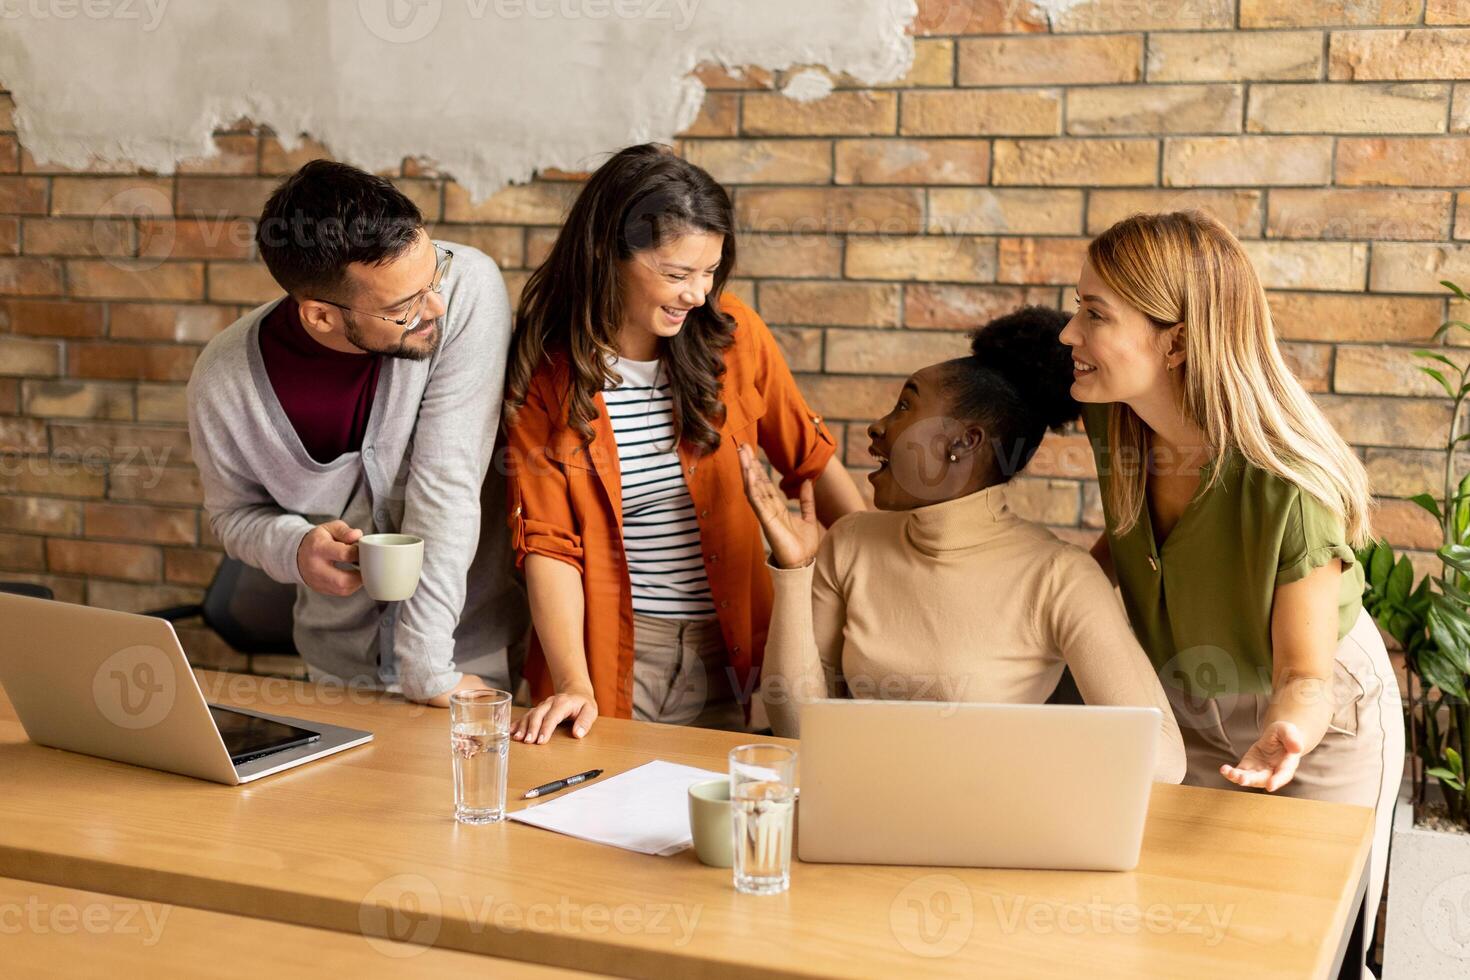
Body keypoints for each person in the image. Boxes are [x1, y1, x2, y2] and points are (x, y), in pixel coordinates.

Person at [1062, 209, 1404, 968]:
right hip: (1182, 695)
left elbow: (1305, 673)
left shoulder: (1287, 486)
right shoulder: (1117, 423)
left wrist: (1288, 734)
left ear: (1176, 341)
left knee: (1292, 951)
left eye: (1093, 315)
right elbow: (1135, 550)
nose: (1068, 334)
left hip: (1311, 731)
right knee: (1174, 937)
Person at [502, 143, 866, 744]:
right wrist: (574, 681)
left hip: (734, 645)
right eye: (676, 274)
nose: (698, 294)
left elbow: (811, 459)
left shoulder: (735, 337)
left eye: (710, 271)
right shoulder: (547, 373)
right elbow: (549, 545)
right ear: (606, 255)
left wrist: (886, 584)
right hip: (614, 651)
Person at [745, 306, 1186, 784]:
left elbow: (1163, 758)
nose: (878, 427)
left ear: (964, 442)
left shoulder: (1059, 576)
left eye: (904, 406)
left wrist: (997, 761)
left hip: (992, 829)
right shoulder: (851, 543)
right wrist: (794, 570)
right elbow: (796, 728)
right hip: (859, 812)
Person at [187, 160, 529, 706]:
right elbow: (233, 514)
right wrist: (295, 548)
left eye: (432, 276)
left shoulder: (465, 289)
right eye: (403, 307)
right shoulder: (225, 383)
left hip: (469, 658)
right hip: (338, 673)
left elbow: (446, 484)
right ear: (320, 317)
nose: (434, 307)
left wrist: (428, 669)